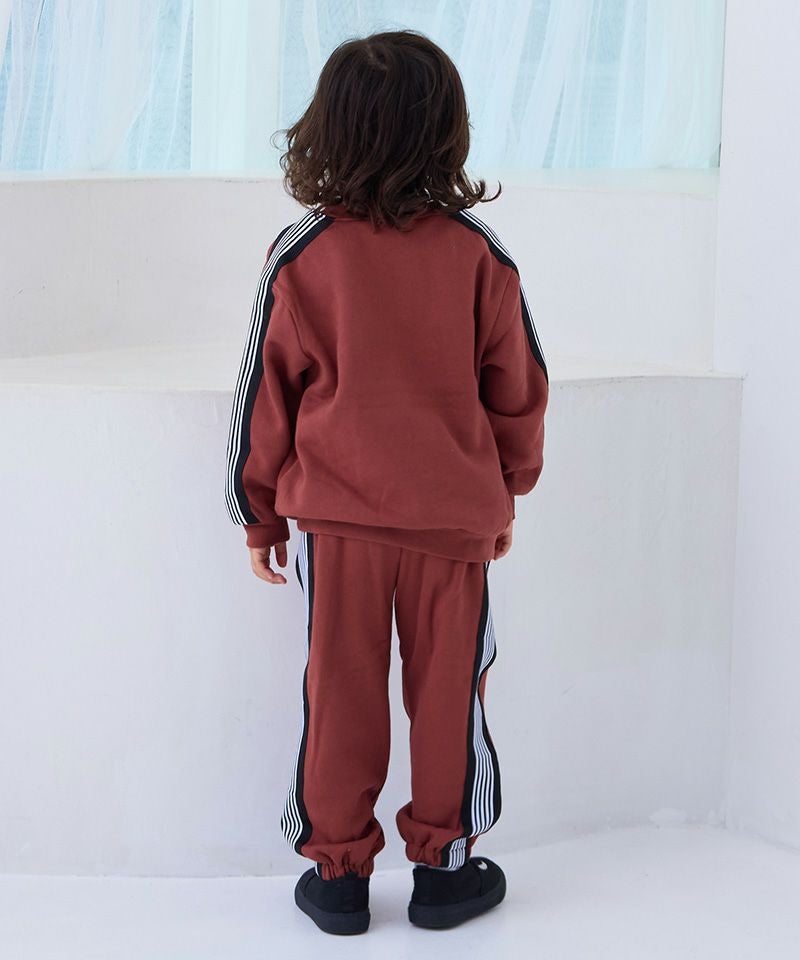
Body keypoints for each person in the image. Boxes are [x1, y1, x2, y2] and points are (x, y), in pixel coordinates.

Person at [224, 29, 549, 936]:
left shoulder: (303, 252)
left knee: (340, 693)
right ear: (446, 131)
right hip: (452, 527)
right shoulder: (479, 254)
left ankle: (337, 880)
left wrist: (259, 517)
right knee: (450, 695)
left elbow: (263, 397)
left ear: (328, 129)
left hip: (338, 530)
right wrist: (507, 490)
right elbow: (519, 389)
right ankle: (444, 872)